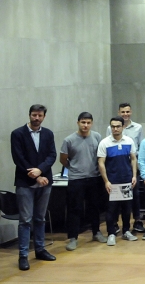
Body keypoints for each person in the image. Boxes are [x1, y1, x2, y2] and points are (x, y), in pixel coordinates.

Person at [11, 104, 57, 271]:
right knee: (25, 220)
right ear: (29, 115)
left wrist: (41, 171)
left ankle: (40, 249)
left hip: (45, 182)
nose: (36, 118)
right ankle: (23, 255)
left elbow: (52, 155)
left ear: (44, 117)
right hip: (25, 182)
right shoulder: (18, 134)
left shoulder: (48, 134)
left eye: (40, 115)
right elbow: (18, 158)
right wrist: (36, 174)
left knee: (40, 218)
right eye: (34, 115)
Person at [60, 112, 105, 251]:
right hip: (76, 179)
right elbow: (63, 159)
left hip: (94, 178)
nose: (85, 125)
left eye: (88, 123)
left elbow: (100, 156)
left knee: (95, 207)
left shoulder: (97, 136)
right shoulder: (69, 140)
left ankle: (96, 232)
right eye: (83, 122)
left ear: (91, 123)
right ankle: (73, 238)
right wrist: (73, 168)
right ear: (78, 122)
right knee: (75, 209)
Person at [97, 116, 138, 246]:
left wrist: (134, 176)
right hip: (112, 182)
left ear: (122, 127)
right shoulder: (104, 143)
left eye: (118, 126)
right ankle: (111, 234)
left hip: (126, 180)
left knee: (126, 209)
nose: (115, 129)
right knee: (111, 210)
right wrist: (106, 181)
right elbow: (101, 163)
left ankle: (126, 231)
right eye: (113, 126)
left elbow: (133, 159)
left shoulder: (129, 141)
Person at [107, 102, 145, 233]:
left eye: (127, 112)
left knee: (134, 195)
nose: (125, 114)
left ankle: (137, 221)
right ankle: (116, 223)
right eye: (123, 112)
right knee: (117, 196)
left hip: (132, 166)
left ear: (131, 112)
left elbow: (140, 147)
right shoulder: (110, 128)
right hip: (117, 167)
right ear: (119, 113)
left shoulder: (138, 127)